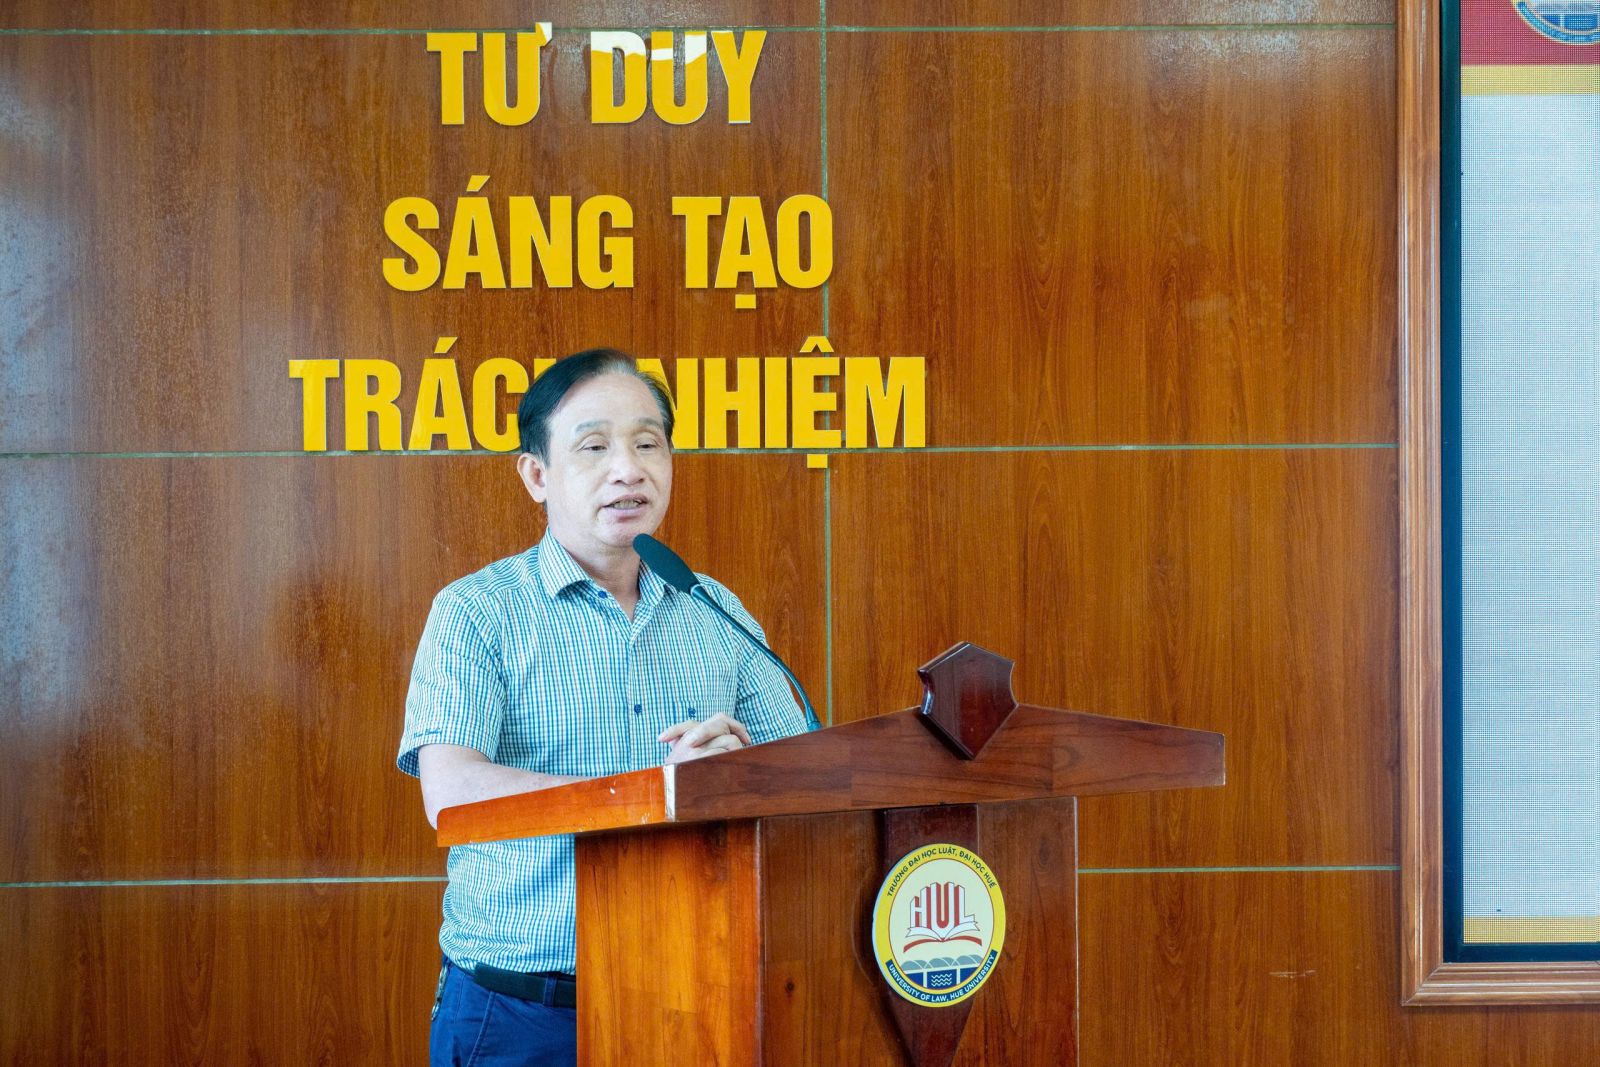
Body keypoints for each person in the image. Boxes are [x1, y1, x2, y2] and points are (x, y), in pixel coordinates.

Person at [397, 348, 808, 1066]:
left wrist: (736, 772)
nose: (628, 469)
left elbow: (804, 781)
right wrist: (657, 792)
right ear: (536, 474)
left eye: (648, 443)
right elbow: (453, 794)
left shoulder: (715, 609)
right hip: (524, 1012)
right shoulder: (477, 612)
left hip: (693, 992)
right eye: (594, 447)